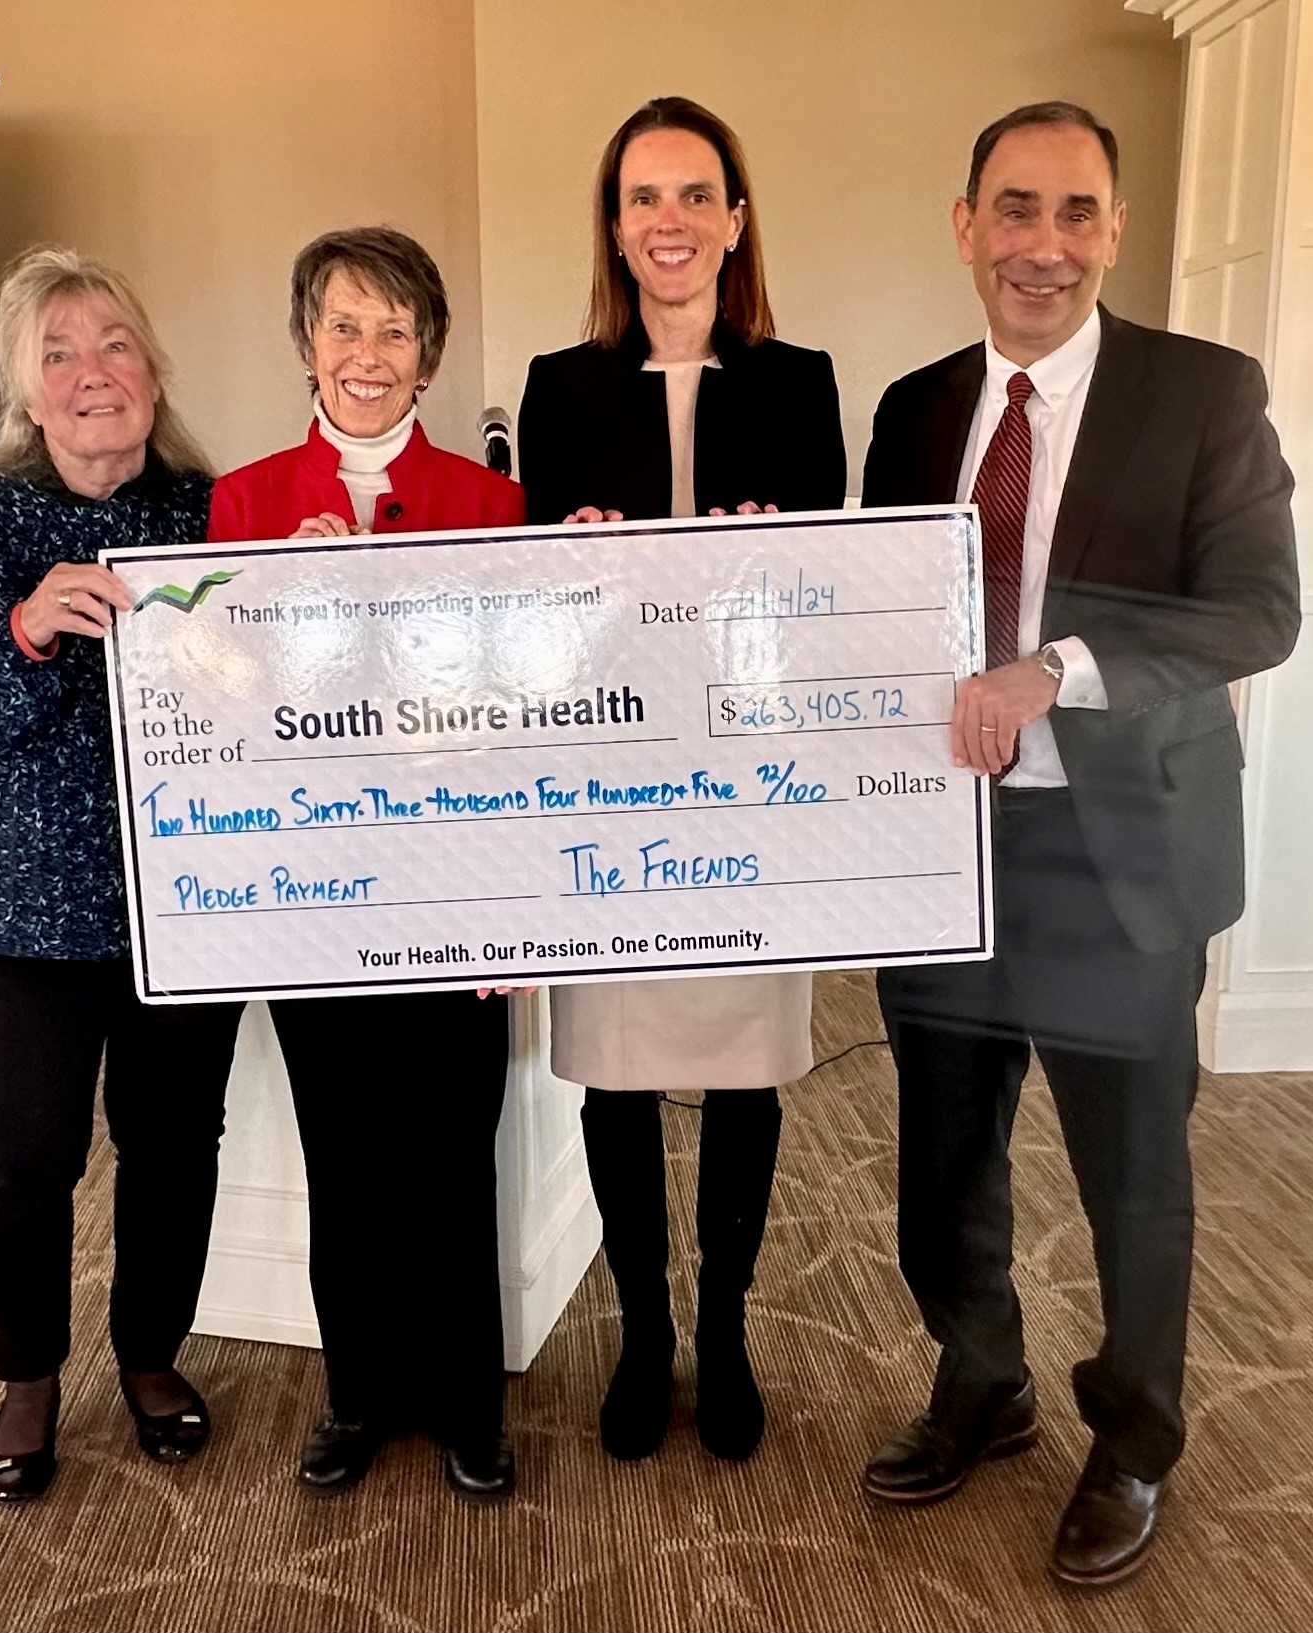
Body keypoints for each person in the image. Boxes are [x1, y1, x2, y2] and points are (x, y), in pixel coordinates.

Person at [857, 102, 1300, 1585]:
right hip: (946, 853)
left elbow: (1257, 611)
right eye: (1014, 208)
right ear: (966, 222)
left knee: (1132, 1180)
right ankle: (979, 1380)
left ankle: (1133, 1436)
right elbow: (869, 606)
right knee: (940, 1160)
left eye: (1075, 213)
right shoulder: (913, 406)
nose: (1042, 244)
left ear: (1113, 232)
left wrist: (1056, 666)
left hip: (1120, 855)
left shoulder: (1204, 394)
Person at [0, 246, 246, 1503]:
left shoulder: (208, 509)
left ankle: (148, 1355)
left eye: (115, 345)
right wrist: (19, 629)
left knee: (176, 1141)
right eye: (60, 353)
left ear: (152, 369)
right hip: (5, 903)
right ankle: (25, 1375)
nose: (93, 374)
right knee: (17, 1158)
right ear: (24, 391)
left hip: (188, 900)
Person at [517, 96, 845, 1464]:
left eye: (694, 193)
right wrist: (575, 566)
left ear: (735, 218)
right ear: (614, 224)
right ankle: (644, 1333)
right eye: (642, 196)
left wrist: (780, 563)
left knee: (749, 1076)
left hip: (750, 791)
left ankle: (726, 1331)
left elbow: (834, 597)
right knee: (614, 1079)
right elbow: (528, 616)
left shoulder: (802, 380)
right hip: (613, 792)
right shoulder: (556, 386)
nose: (669, 220)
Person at [208, 227, 526, 1502]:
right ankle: (358, 1390)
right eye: (343, 326)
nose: (368, 353)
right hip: (311, 898)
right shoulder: (238, 504)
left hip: (452, 894)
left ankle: (465, 1401)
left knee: (453, 1147)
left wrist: (519, 919)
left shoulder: (493, 504)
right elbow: (210, 706)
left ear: (427, 354)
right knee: (344, 1152)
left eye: (394, 329)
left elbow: (523, 721)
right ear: (305, 344)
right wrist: (272, 615)